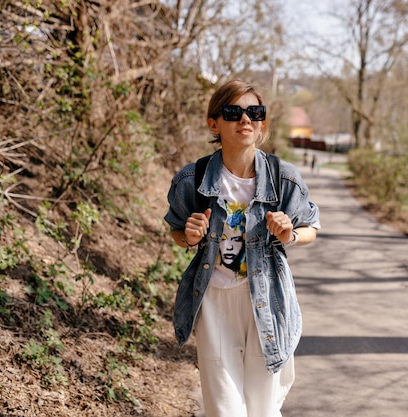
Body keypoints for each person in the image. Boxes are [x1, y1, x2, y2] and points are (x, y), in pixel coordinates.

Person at [164, 79, 320, 417]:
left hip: (266, 301)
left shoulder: (283, 177)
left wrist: (289, 234)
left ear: (262, 121)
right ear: (214, 123)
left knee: (263, 410)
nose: (245, 119)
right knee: (224, 411)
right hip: (214, 304)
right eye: (233, 112)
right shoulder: (193, 179)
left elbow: (311, 229)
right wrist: (190, 237)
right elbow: (177, 230)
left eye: (254, 112)